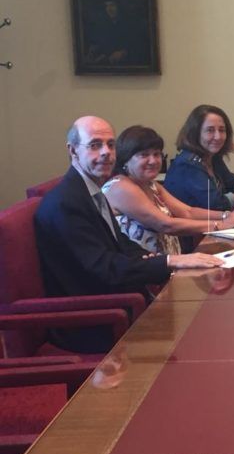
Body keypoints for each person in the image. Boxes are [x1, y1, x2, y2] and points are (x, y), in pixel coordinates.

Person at [34, 116, 224, 352]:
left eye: (110, 145)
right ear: (73, 150)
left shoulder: (90, 189)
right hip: (96, 320)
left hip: (123, 300)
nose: (106, 152)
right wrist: (169, 262)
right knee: (205, 335)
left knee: (209, 317)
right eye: (95, 145)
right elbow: (105, 267)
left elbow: (120, 243)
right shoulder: (66, 202)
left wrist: (154, 260)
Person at [102, 126, 234, 255]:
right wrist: (221, 225)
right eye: (144, 155)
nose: (153, 161)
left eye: (156, 154)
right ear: (126, 159)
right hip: (144, 272)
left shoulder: (151, 185)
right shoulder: (121, 187)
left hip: (169, 265)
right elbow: (166, 224)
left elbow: (188, 212)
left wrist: (227, 215)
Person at [164, 104, 234, 211]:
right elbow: (215, 203)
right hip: (194, 221)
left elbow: (231, 182)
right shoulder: (187, 164)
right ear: (195, 133)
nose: (218, 137)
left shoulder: (213, 157)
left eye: (222, 130)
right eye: (210, 130)